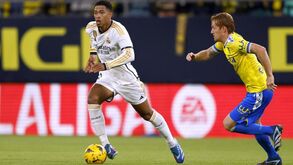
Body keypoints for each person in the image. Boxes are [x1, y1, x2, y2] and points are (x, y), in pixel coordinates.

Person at [84, 1, 184, 163]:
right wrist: (93, 55)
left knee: (147, 114)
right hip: (108, 77)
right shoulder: (90, 27)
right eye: (95, 12)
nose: (97, 16)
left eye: (102, 12)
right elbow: (94, 42)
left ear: (110, 14)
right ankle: (106, 145)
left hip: (126, 78)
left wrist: (105, 64)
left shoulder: (119, 31)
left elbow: (130, 55)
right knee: (92, 99)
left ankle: (173, 143)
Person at [186, 12, 283, 165]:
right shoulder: (223, 44)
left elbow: (261, 50)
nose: (211, 31)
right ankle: (274, 158)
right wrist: (195, 56)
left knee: (228, 124)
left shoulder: (234, 42)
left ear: (223, 29)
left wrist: (270, 75)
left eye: (213, 28)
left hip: (259, 91)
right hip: (258, 91)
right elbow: (208, 53)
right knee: (255, 125)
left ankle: (272, 130)